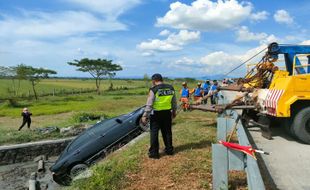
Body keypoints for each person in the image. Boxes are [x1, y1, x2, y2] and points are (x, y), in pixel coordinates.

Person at [141, 73, 177, 159]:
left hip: (156, 114)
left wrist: (145, 115)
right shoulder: (170, 88)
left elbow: (149, 104)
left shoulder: (154, 89)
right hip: (167, 113)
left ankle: (154, 153)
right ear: (162, 79)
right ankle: (169, 150)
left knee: (154, 133)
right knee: (167, 132)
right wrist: (174, 111)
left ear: (154, 81)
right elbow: (174, 101)